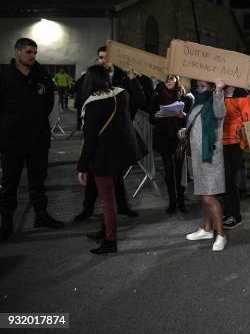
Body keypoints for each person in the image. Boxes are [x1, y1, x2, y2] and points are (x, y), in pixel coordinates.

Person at [77, 65, 147, 254]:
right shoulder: (120, 94)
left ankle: (110, 241)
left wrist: (82, 167)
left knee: (107, 199)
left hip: (104, 157)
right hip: (121, 154)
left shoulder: (93, 103)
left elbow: (90, 139)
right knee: (109, 196)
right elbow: (140, 100)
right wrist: (133, 80)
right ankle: (105, 229)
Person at [0, 38, 64, 241]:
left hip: (38, 138)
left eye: (35, 53)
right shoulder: (5, 76)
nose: (33, 56)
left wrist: (36, 118)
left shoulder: (41, 74)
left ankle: (41, 216)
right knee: (10, 182)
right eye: (28, 52)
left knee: (38, 181)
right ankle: (7, 222)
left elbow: (47, 103)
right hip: (12, 139)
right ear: (17, 52)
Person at [73, 46, 144, 222]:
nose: (102, 60)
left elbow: (139, 101)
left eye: (106, 57)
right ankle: (88, 209)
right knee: (94, 176)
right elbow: (79, 98)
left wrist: (133, 80)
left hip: (118, 136)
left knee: (116, 175)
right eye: (100, 57)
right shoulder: (90, 77)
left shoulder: (122, 77)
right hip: (97, 136)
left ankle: (122, 208)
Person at [184, 80, 228, 251]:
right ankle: (208, 229)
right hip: (198, 156)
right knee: (203, 194)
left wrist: (218, 90)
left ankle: (221, 235)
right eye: (198, 86)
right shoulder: (198, 102)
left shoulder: (215, 101)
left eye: (203, 87)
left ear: (211, 88)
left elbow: (220, 113)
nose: (199, 89)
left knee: (209, 197)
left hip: (210, 156)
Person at [151, 75, 193, 215]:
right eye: (166, 78)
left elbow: (189, 119)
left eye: (172, 78)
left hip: (178, 138)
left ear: (177, 80)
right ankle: (172, 202)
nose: (169, 81)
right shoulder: (156, 96)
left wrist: (184, 116)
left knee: (179, 171)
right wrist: (156, 116)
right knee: (168, 171)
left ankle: (181, 202)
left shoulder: (185, 97)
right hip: (163, 138)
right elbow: (151, 117)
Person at [222, 85, 250, 229]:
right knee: (225, 179)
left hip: (235, 142)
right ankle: (228, 212)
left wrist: (244, 141)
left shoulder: (242, 94)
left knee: (229, 178)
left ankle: (235, 214)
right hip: (221, 141)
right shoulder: (218, 92)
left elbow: (249, 119)